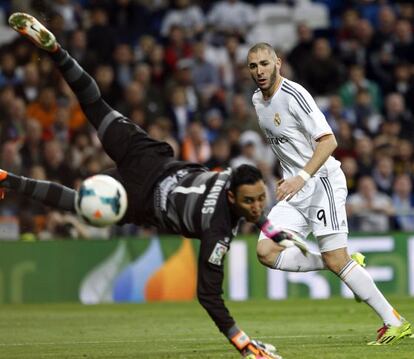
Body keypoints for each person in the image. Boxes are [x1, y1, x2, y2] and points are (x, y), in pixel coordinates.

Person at [0, 13, 307, 359]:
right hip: (141, 195)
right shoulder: (217, 231)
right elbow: (208, 297)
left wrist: (273, 230)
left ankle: (57, 52)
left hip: (150, 161)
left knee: (94, 105)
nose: (257, 208)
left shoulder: (229, 179)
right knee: (76, 202)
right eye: (253, 203)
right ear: (234, 196)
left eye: (259, 203)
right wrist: (243, 343)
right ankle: (9, 179)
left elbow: (248, 202)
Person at [246, 42, 412, 345]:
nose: (259, 71)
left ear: (278, 63)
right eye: (253, 66)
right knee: (266, 252)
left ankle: (395, 322)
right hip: (294, 191)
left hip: (321, 182)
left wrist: (301, 176)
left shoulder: (295, 96)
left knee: (337, 259)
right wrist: (289, 178)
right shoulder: (257, 100)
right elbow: (288, 146)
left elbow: (328, 141)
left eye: (264, 64)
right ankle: (339, 260)